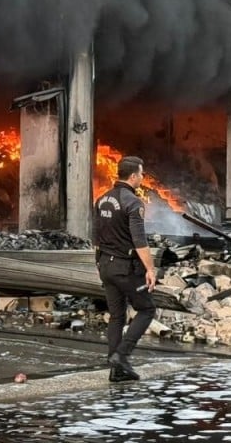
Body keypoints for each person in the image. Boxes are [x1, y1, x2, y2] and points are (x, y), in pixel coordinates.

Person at [94, 155, 157, 382]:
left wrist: (100, 264)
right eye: (141, 174)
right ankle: (122, 355)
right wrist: (150, 269)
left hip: (105, 265)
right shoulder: (133, 202)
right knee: (147, 309)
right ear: (133, 176)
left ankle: (115, 368)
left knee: (117, 315)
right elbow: (139, 240)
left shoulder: (101, 200)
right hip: (125, 268)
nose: (142, 177)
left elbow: (96, 238)